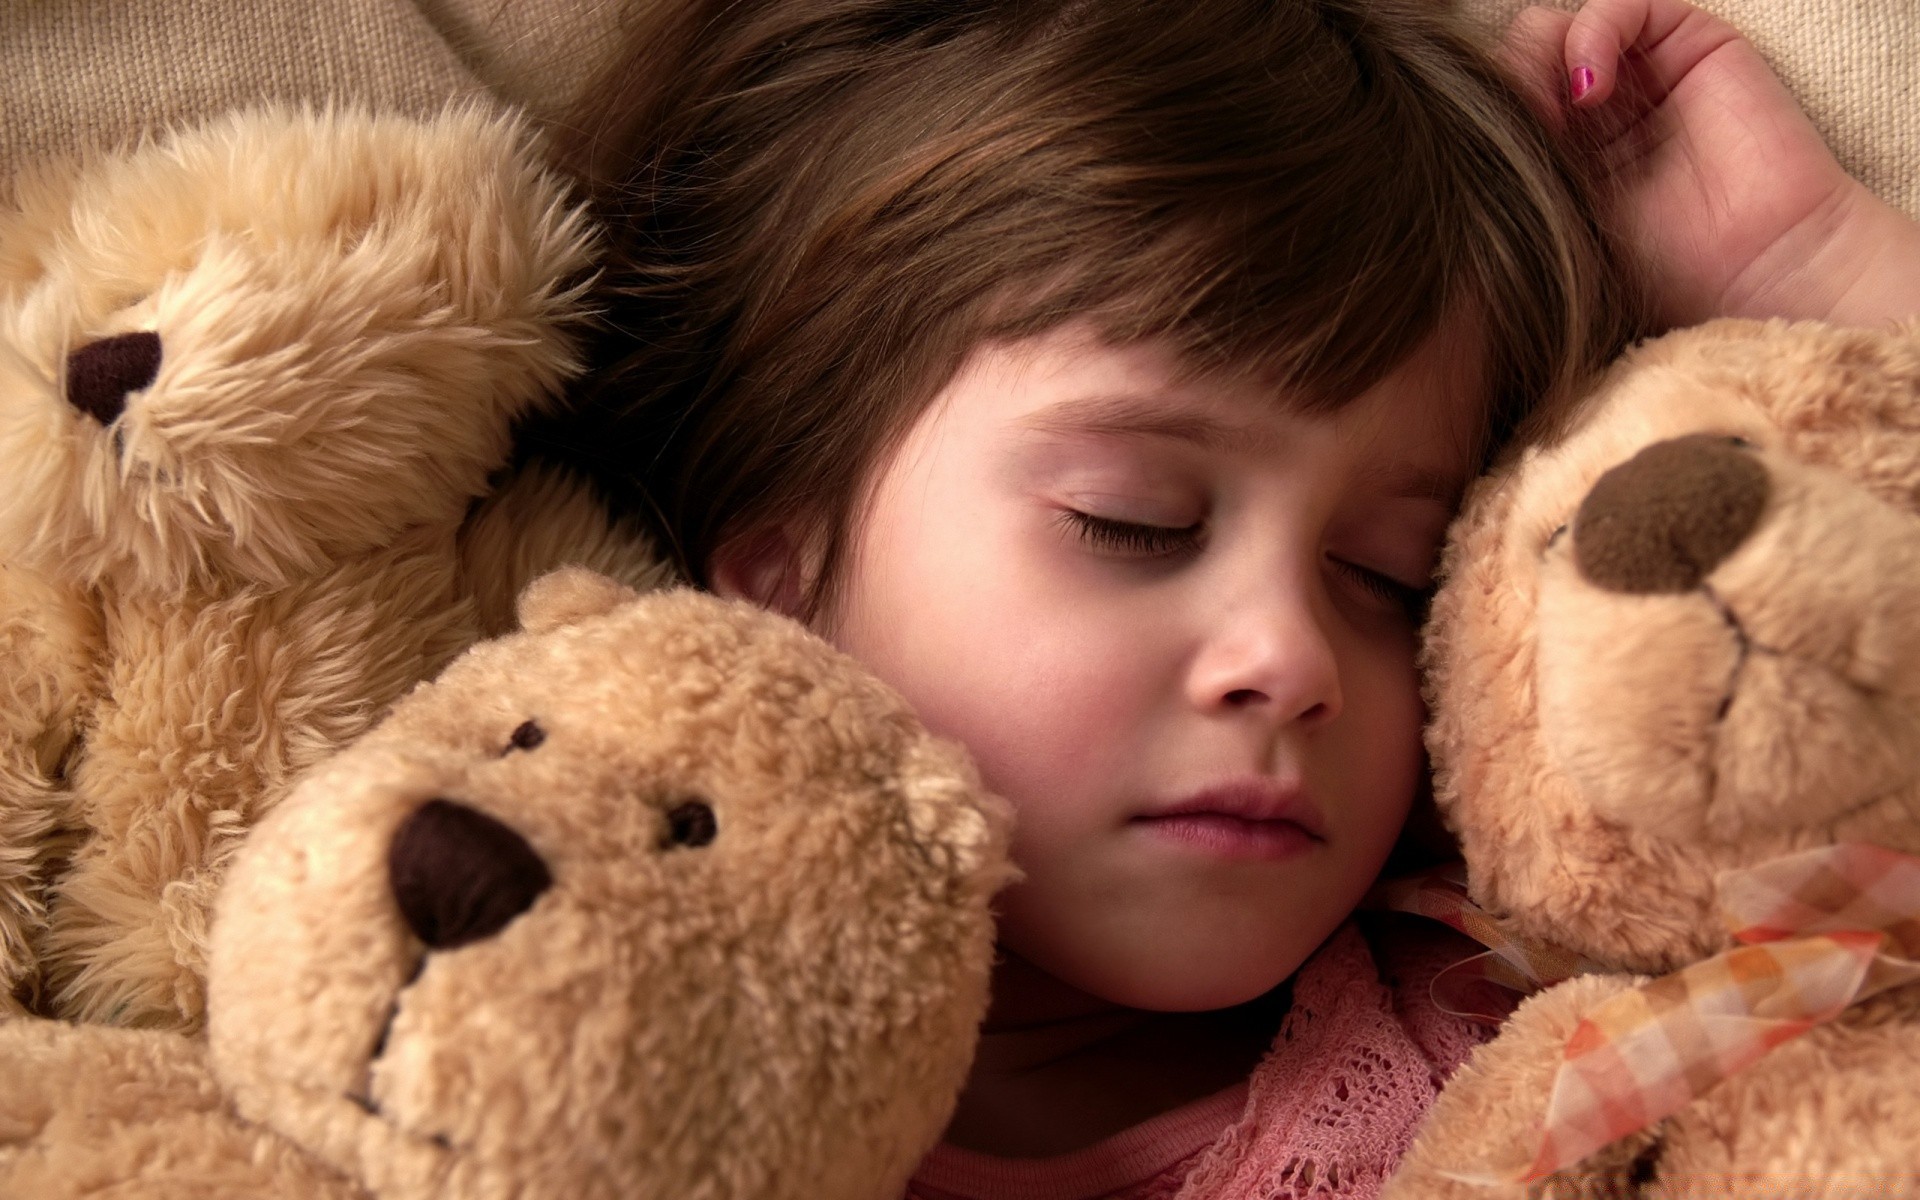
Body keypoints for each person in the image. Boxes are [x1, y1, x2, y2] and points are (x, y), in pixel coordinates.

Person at [544, 0, 1920, 1194]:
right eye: (1133, 523)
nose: (1289, 656)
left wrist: (1814, 278)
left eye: (1394, 573)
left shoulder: (1530, 1047)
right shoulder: (576, 1070)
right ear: (777, 571)